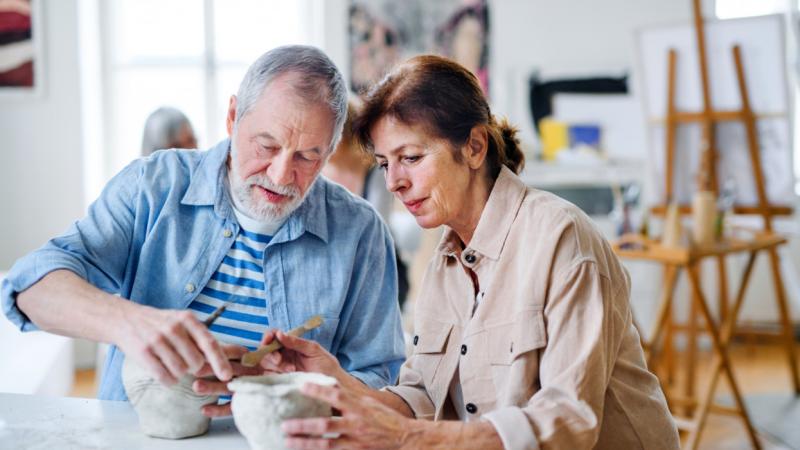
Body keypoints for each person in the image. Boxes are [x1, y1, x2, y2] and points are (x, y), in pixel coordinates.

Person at [258, 55, 680, 450]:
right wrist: (336, 383)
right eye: (386, 164)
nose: (394, 183)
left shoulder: (560, 237)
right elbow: (422, 395)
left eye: (411, 157)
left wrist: (408, 438)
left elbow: (567, 421)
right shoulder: (446, 257)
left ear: (475, 147)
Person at [0, 46, 406, 415]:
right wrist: (129, 322)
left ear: (330, 151)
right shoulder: (153, 187)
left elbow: (382, 385)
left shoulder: (361, 232)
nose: (282, 175)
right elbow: (28, 288)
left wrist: (316, 390)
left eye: (306, 156)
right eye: (266, 145)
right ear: (232, 117)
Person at [321, 100, 409, 308]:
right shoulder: (317, 172)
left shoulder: (376, 172)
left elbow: (376, 228)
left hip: (375, 260)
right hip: (330, 262)